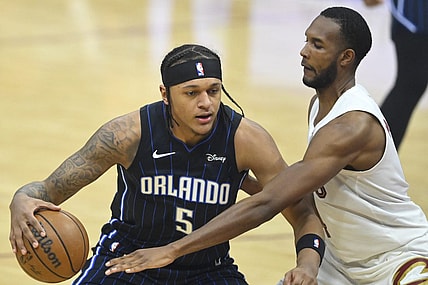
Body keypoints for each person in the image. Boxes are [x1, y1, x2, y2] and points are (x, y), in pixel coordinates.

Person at [103, 7, 428, 285]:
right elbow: (299, 195)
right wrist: (236, 177)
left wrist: (173, 249)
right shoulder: (320, 105)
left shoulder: (352, 126)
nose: (303, 51)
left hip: (395, 256)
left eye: (317, 45)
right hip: (341, 262)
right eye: (306, 40)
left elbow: (271, 202)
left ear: (345, 58)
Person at [9, 44, 325, 284]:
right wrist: (20, 199)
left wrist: (306, 266)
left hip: (207, 268)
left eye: (214, 91)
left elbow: (302, 212)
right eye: (192, 93)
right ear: (165, 93)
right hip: (126, 260)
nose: (206, 103)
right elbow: (46, 190)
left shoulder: (247, 139)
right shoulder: (125, 135)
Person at [364, 0, 428, 150]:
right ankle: (371, 152)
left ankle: (371, 153)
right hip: (413, 18)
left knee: (411, 86)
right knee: (409, 86)